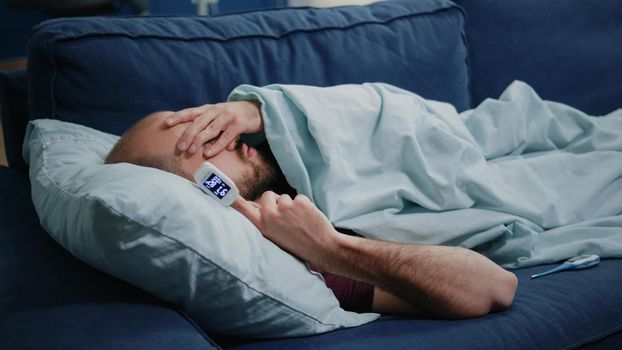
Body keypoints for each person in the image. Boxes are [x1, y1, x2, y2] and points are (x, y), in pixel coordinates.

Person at [105, 100, 518, 319]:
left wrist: (255, 109)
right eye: (202, 143)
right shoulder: (285, 258)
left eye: (206, 122)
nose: (224, 136)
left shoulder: (266, 151)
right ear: (206, 189)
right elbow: (495, 288)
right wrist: (329, 249)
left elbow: (379, 116)